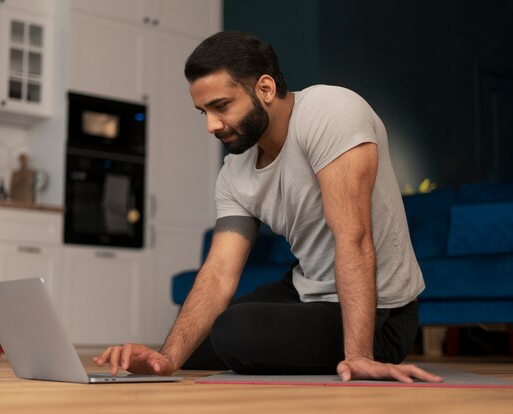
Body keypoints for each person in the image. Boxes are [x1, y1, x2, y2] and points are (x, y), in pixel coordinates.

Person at [95, 31, 443, 383]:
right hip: (307, 292)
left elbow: (353, 236)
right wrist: (167, 359)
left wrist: (358, 356)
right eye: (203, 111)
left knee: (234, 331)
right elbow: (219, 272)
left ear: (265, 88)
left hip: (382, 315)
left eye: (221, 106)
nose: (211, 125)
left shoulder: (330, 113)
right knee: (203, 340)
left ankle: (358, 350)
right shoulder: (235, 172)